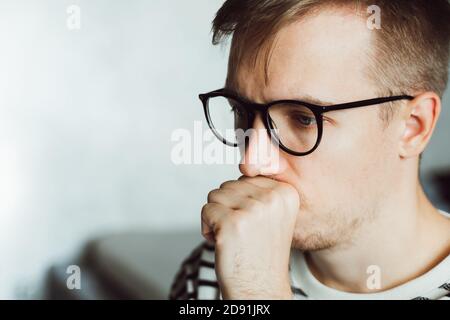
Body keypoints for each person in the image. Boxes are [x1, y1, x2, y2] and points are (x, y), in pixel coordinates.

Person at [170, 0, 450, 300]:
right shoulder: (218, 268)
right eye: (241, 110)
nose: (252, 162)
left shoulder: (243, 280)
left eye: (303, 118)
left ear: (413, 126)